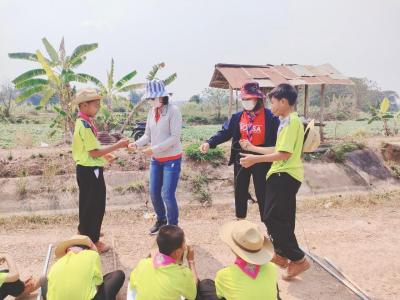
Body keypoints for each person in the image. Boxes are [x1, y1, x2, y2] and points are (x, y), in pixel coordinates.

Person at [239, 83, 310, 280]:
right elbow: (276, 149)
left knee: (271, 217)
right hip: (285, 175)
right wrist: (253, 148)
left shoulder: (290, 122)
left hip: (284, 174)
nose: (271, 107)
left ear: (284, 101)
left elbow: (283, 154)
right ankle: (282, 254)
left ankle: (298, 259)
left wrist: (254, 159)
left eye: (273, 103)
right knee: (283, 218)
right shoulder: (288, 121)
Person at [200, 82, 280, 220]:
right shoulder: (238, 117)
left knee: (263, 191)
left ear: (257, 99)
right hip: (241, 156)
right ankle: (240, 220)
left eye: (249, 99)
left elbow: (279, 139)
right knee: (240, 189)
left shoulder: (270, 117)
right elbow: (225, 132)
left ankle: (268, 223)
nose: (246, 102)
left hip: (262, 156)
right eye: (244, 99)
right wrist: (210, 142)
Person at [72, 88, 129, 253]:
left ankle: (86, 231)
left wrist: (107, 155)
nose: (97, 107)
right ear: (84, 105)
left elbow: (91, 150)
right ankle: (93, 240)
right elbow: (94, 152)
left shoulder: (83, 122)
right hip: (90, 170)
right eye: (95, 105)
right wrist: (118, 146)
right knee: (96, 205)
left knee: (87, 203)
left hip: (86, 168)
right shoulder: (84, 125)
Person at [128, 80, 183, 234]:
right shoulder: (152, 112)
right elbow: (147, 135)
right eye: (149, 99)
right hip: (156, 160)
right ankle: (161, 220)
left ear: (162, 97)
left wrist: (154, 149)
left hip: (171, 159)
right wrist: (136, 144)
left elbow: (174, 137)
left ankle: (173, 226)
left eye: (153, 98)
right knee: (153, 192)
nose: (150, 101)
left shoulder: (174, 111)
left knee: (167, 193)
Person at [197, 220, 278, 300]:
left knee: (205, 285)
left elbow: (220, 296)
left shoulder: (224, 275)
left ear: (233, 248)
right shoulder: (272, 268)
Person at [40, 235, 125, 300]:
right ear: (87, 249)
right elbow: (98, 285)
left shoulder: (56, 264)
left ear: (68, 250)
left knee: (44, 280)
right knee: (118, 275)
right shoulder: (92, 255)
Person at [129, 225, 198, 300]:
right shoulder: (182, 273)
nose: (185, 247)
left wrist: (152, 253)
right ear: (177, 252)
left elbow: (132, 283)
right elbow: (192, 294)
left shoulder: (143, 264)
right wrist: (191, 261)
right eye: (184, 243)